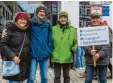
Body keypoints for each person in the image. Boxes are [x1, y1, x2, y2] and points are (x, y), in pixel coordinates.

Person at [0, 13, 31, 83]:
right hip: (13, 63)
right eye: (20, 19)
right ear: (16, 20)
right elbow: (2, 45)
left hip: (23, 65)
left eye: (24, 19)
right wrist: (13, 56)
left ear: (27, 21)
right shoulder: (10, 30)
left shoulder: (28, 31)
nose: (22, 21)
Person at [27, 5, 53, 83]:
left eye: (44, 12)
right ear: (37, 13)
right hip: (33, 54)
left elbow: (50, 39)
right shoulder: (31, 23)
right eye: (40, 11)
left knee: (44, 77)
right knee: (31, 77)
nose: (42, 13)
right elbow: (21, 29)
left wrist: (49, 50)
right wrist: (5, 31)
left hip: (44, 54)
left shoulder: (48, 24)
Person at [82, 13, 110, 83]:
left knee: (102, 80)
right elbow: (82, 43)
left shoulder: (106, 29)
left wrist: (99, 54)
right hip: (90, 59)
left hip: (102, 60)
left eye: (97, 18)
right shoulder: (86, 30)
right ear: (91, 19)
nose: (95, 20)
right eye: (93, 18)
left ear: (100, 19)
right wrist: (89, 50)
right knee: (88, 80)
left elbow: (107, 44)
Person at [52, 11, 78, 83]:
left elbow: (76, 43)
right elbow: (50, 41)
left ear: (67, 19)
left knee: (66, 76)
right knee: (57, 77)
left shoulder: (72, 30)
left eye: (64, 17)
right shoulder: (53, 29)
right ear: (59, 19)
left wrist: (73, 50)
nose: (63, 19)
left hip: (67, 56)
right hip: (56, 56)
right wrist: (52, 51)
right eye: (61, 17)